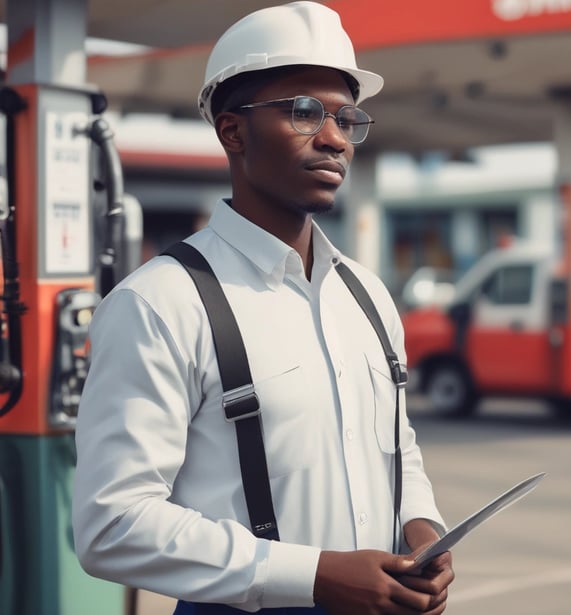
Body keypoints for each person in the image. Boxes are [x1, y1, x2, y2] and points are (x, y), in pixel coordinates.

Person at [72, 2, 454, 614]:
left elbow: (396, 446)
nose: (333, 138)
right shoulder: (161, 303)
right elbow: (111, 525)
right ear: (232, 131)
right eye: (304, 112)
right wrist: (311, 575)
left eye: (347, 118)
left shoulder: (367, 295)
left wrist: (423, 528)